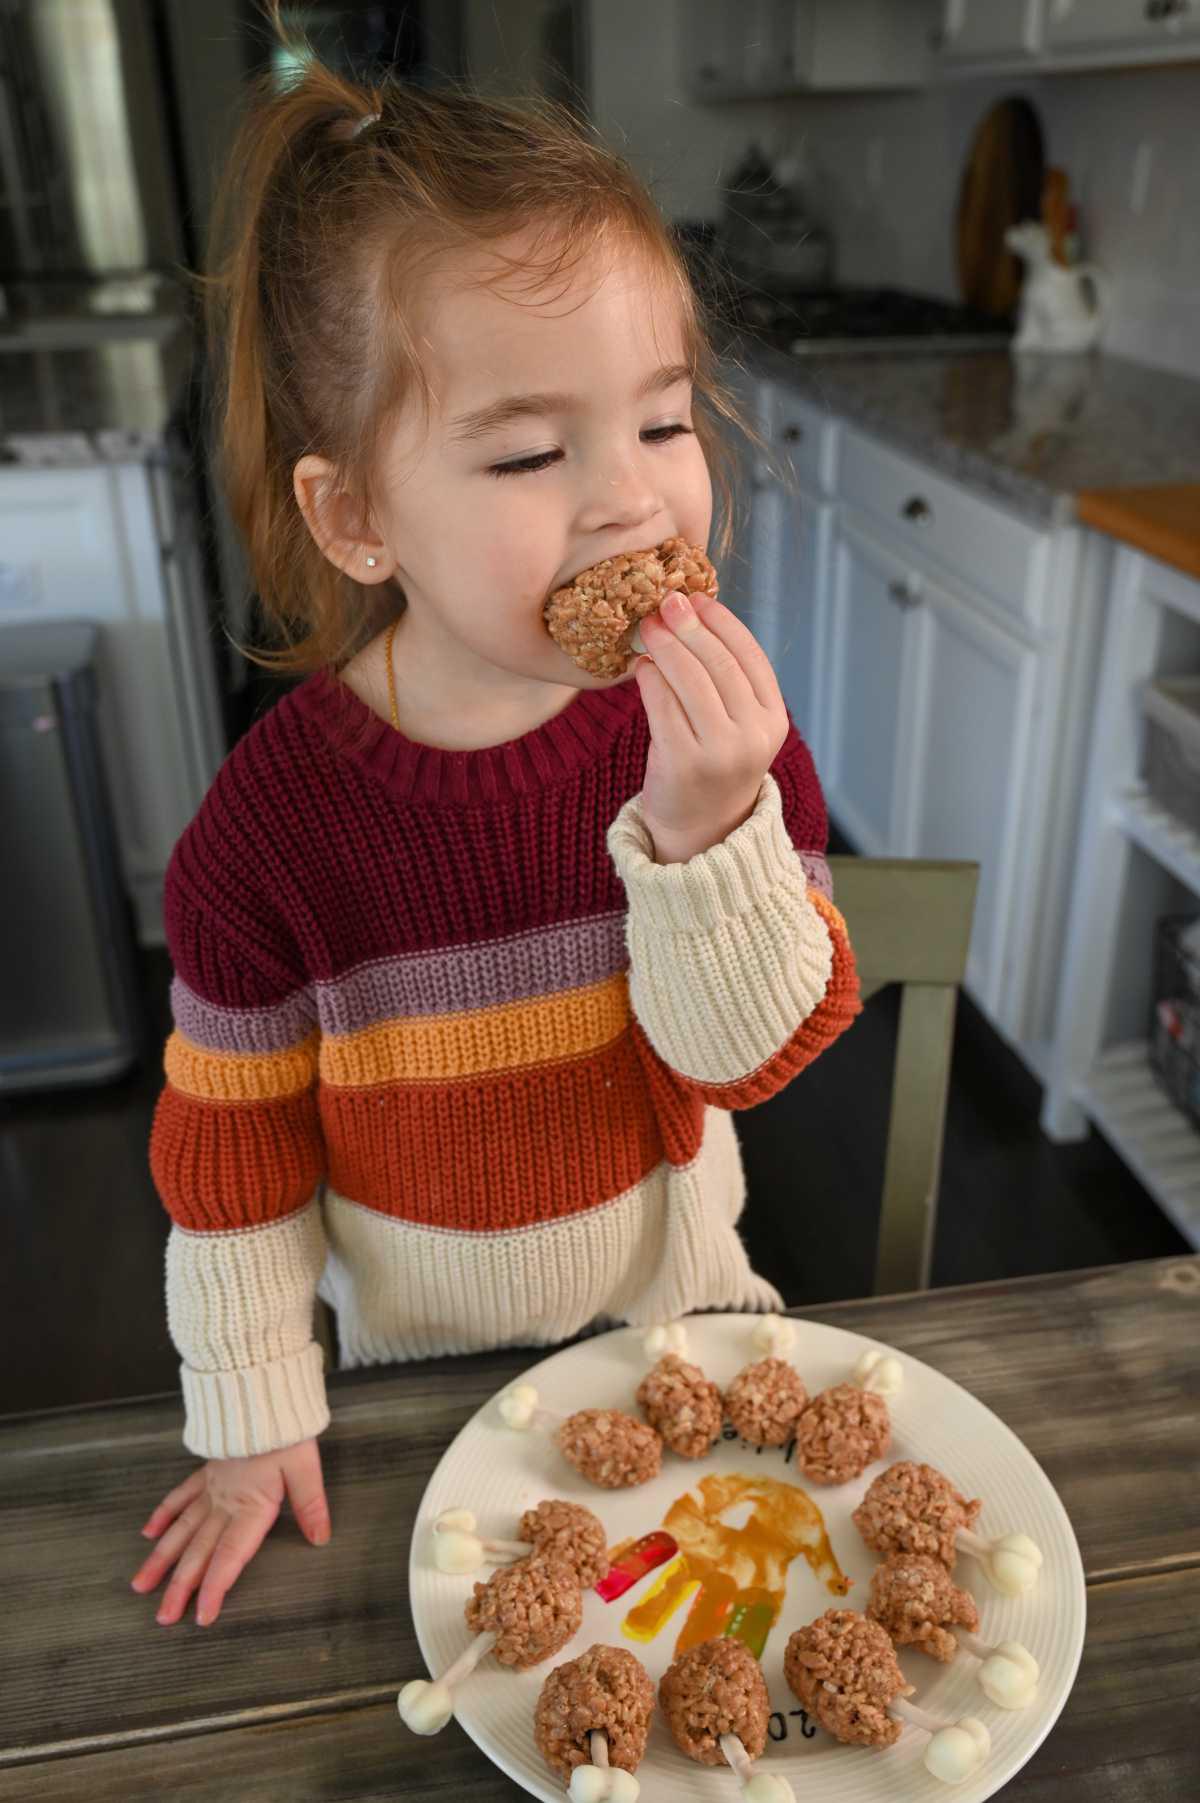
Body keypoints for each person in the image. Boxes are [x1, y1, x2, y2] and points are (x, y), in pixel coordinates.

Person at [130, 10, 860, 1634]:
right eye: (531, 449)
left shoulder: (712, 748)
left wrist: (704, 831)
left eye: (664, 423)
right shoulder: (267, 837)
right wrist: (255, 1426)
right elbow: (235, 1166)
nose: (630, 498)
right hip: (414, 1379)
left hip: (679, 1324)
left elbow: (745, 1057)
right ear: (359, 516)